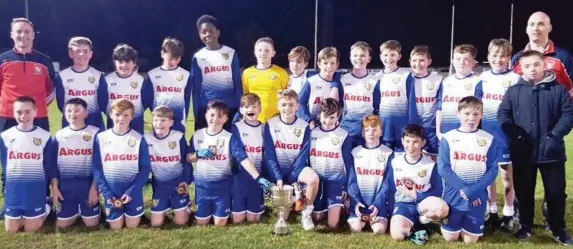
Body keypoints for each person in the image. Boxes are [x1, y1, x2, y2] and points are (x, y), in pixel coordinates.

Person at [498, 50, 573, 245]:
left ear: (544, 66)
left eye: (536, 65)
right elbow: (503, 116)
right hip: (523, 152)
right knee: (524, 192)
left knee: (556, 193)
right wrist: (517, 135)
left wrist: (555, 135)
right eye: (527, 66)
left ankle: (558, 229)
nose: (532, 69)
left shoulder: (558, 90)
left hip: (552, 152)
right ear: (521, 68)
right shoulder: (514, 91)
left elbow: (568, 114)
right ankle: (525, 226)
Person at [186, 100, 271, 226]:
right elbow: (188, 157)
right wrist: (197, 154)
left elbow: (243, 158)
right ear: (206, 115)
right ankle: (187, 210)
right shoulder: (198, 135)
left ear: (226, 118)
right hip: (202, 188)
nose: (215, 119)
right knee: (201, 223)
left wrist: (258, 177)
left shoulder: (229, 137)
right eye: (212, 115)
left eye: (220, 116)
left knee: (220, 224)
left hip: (223, 190)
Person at [438, 96, 498, 244]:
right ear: (458, 114)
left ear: (481, 116)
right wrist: (465, 190)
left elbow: (493, 170)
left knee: (470, 240)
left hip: (477, 196)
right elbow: (443, 169)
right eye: (467, 113)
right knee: (450, 238)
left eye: (476, 114)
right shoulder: (449, 138)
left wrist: (474, 190)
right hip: (454, 194)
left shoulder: (488, 139)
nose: (471, 118)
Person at [474, 38, 520, 231]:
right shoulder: (482, 79)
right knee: (488, 176)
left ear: (509, 58)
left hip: (506, 136)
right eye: (495, 55)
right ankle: (491, 212)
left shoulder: (516, 79)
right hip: (485, 136)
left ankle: (509, 214)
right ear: (488, 57)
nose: (498, 59)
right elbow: (475, 108)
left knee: (507, 176)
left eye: (503, 55)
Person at [264, 89, 320, 230]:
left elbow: (303, 155)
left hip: (297, 170)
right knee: (283, 216)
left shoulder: (304, 126)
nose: (287, 108)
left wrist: (292, 178)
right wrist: (278, 177)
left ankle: (306, 215)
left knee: (313, 179)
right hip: (278, 172)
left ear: (297, 107)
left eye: (290, 104)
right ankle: (295, 197)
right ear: (278, 106)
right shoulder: (270, 124)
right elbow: (269, 154)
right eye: (283, 105)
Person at [0, 96, 58, 232]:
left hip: (35, 187)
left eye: (27, 111)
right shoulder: (5, 136)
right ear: (13, 113)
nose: (23, 116)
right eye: (19, 112)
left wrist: (53, 186)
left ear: (35, 112)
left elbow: (50, 166)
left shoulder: (44, 136)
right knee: (11, 230)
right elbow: (5, 165)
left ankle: (47, 204)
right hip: (14, 188)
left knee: (30, 229)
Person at [92, 99, 151, 230]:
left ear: (132, 116)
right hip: (111, 191)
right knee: (116, 227)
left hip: (132, 192)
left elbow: (145, 169)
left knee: (132, 226)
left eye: (126, 115)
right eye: (117, 114)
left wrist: (131, 192)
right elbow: (96, 167)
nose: (121, 118)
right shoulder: (101, 138)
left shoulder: (139, 139)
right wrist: (107, 193)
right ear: (110, 114)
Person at [387, 124, 448, 243]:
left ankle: (423, 219)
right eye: (407, 141)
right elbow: (389, 188)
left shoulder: (430, 165)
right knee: (398, 235)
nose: (410, 146)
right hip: (403, 204)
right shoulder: (395, 162)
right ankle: (418, 226)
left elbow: (438, 190)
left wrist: (417, 196)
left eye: (415, 142)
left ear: (423, 143)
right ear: (402, 141)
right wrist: (389, 212)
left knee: (442, 209)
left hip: (423, 203)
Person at [0, 18, 55, 132]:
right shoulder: (2, 60)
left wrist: (35, 107)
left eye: (27, 31)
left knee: (39, 150)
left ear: (33, 35)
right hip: (7, 118)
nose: (23, 35)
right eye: (19, 31)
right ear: (12, 34)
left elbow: (50, 90)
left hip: (38, 118)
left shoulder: (44, 61)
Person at [53, 98, 101, 228]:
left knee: (91, 224)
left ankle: (95, 207)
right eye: (68, 111)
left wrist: (94, 189)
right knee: (62, 225)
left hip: (87, 186)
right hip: (66, 188)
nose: (72, 114)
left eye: (77, 110)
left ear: (86, 113)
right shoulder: (59, 135)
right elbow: (53, 166)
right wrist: (55, 189)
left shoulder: (96, 133)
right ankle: (51, 205)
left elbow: (99, 165)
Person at [191, 15, 242, 131]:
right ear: (199, 35)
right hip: (208, 109)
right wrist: (196, 112)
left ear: (218, 33)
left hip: (230, 107)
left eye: (211, 31)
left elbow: (237, 83)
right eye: (203, 32)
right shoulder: (198, 57)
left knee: (229, 143)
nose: (208, 34)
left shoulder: (230, 53)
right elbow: (196, 89)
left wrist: (240, 107)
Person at [308, 98, 352, 229]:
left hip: (336, 182)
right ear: (319, 115)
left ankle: (344, 205)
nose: (328, 121)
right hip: (318, 182)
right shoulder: (312, 133)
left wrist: (345, 187)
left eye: (332, 117)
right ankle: (323, 205)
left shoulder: (344, 135)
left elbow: (348, 164)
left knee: (333, 224)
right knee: (317, 218)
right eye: (325, 117)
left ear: (338, 116)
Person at [145, 105, 191, 227]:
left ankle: (185, 207)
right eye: (155, 120)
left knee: (182, 222)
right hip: (159, 186)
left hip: (178, 184)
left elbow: (186, 160)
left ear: (171, 123)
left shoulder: (178, 137)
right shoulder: (146, 139)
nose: (158, 123)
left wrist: (186, 181)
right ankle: (167, 208)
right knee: (156, 224)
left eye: (163, 120)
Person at [347, 115, 393, 234]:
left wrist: (378, 204)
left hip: (378, 203)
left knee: (379, 230)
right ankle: (357, 215)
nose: (371, 133)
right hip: (360, 202)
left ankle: (378, 216)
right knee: (355, 229)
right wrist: (356, 202)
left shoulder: (388, 153)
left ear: (381, 132)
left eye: (374, 129)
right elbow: (352, 182)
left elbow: (387, 183)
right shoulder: (355, 152)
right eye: (367, 130)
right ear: (362, 133)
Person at [511, 11, 573, 97]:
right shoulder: (517, 58)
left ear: (550, 28)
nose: (535, 28)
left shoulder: (563, 57)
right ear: (527, 29)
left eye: (541, 24)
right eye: (532, 24)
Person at [329, 42, 380, 143]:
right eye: (355, 55)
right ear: (350, 57)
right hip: (347, 128)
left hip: (367, 130)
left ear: (369, 59)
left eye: (362, 55)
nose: (358, 58)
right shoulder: (343, 80)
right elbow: (336, 104)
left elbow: (377, 107)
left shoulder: (374, 81)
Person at [55, 36, 108, 129]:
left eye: (85, 51)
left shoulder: (98, 76)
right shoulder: (62, 76)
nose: (81, 54)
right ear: (70, 53)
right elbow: (60, 104)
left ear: (91, 54)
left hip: (94, 123)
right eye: (77, 51)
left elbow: (103, 103)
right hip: (71, 124)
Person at [143, 37, 191, 133]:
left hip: (178, 120)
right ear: (162, 54)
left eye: (177, 59)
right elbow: (146, 100)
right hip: (159, 121)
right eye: (170, 58)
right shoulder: (152, 75)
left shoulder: (186, 75)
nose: (173, 62)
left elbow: (187, 99)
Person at [230, 93, 265, 224]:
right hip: (239, 176)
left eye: (254, 106)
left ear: (260, 109)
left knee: (253, 219)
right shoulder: (236, 127)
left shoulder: (264, 128)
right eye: (247, 107)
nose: (251, 109)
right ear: (241, 110)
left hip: (258, 177)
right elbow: (238, 154)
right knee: (238, 220)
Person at [436, 44, 481, 140]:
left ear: (473, 63)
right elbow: (439, 108)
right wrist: (438, 131)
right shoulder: (445, 82)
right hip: (446, 133)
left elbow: (478, 111)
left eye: (466, 59)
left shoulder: (477, 82)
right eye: (458, 59)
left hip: (468, 134)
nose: (462, 62)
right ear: (452, 61)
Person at [105, 44, 151, 134]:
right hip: (114, 125)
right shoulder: (107, 81)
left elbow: (146, 102)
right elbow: (102, 102)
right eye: (120, 61)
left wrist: (131, 115)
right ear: (114, 62)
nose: (124, 65)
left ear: (134, 63)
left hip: (135, 124)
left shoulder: (141, 81)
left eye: (128, 62)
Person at [407, 45, 443, 158]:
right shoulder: (406, 79)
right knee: (413, 157)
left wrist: (438, 129)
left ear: (429, 62)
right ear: (409, 61)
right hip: (411, 126)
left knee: (432, 157)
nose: (418, 64)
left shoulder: (437, 80)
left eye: (422, 60)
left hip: (430, 127)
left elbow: (440, 106)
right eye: (414, 60)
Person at [242, 37, 289, 123]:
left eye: (267, 50)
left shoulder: (281, 73)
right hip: (253, 120)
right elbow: (245, 97)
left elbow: (286, 97)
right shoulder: (247, 73)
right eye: (260, 50)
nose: (263, 53)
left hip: (276, 120)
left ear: (273, 53)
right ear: (255, 53)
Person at [376, 40, 411, 151]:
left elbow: (411, 102)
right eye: (385, 55)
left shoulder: (406, 75)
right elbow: (376, 104)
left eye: (393, 55)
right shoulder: (377, 77)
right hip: (385, 127)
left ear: (399, 56)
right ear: (381, 56)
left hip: (402, 126)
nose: (389, 58)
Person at [299, 47, 341, 128]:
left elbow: (341, 105)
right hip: (313, 126)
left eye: (332, 63)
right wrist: (308, 120)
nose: (329, 67)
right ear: (319, 64)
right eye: (325, 63)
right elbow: (300, 103)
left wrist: (338, 120)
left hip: (331, 125)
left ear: (337, 64)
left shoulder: (339, 83)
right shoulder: (311, 81)